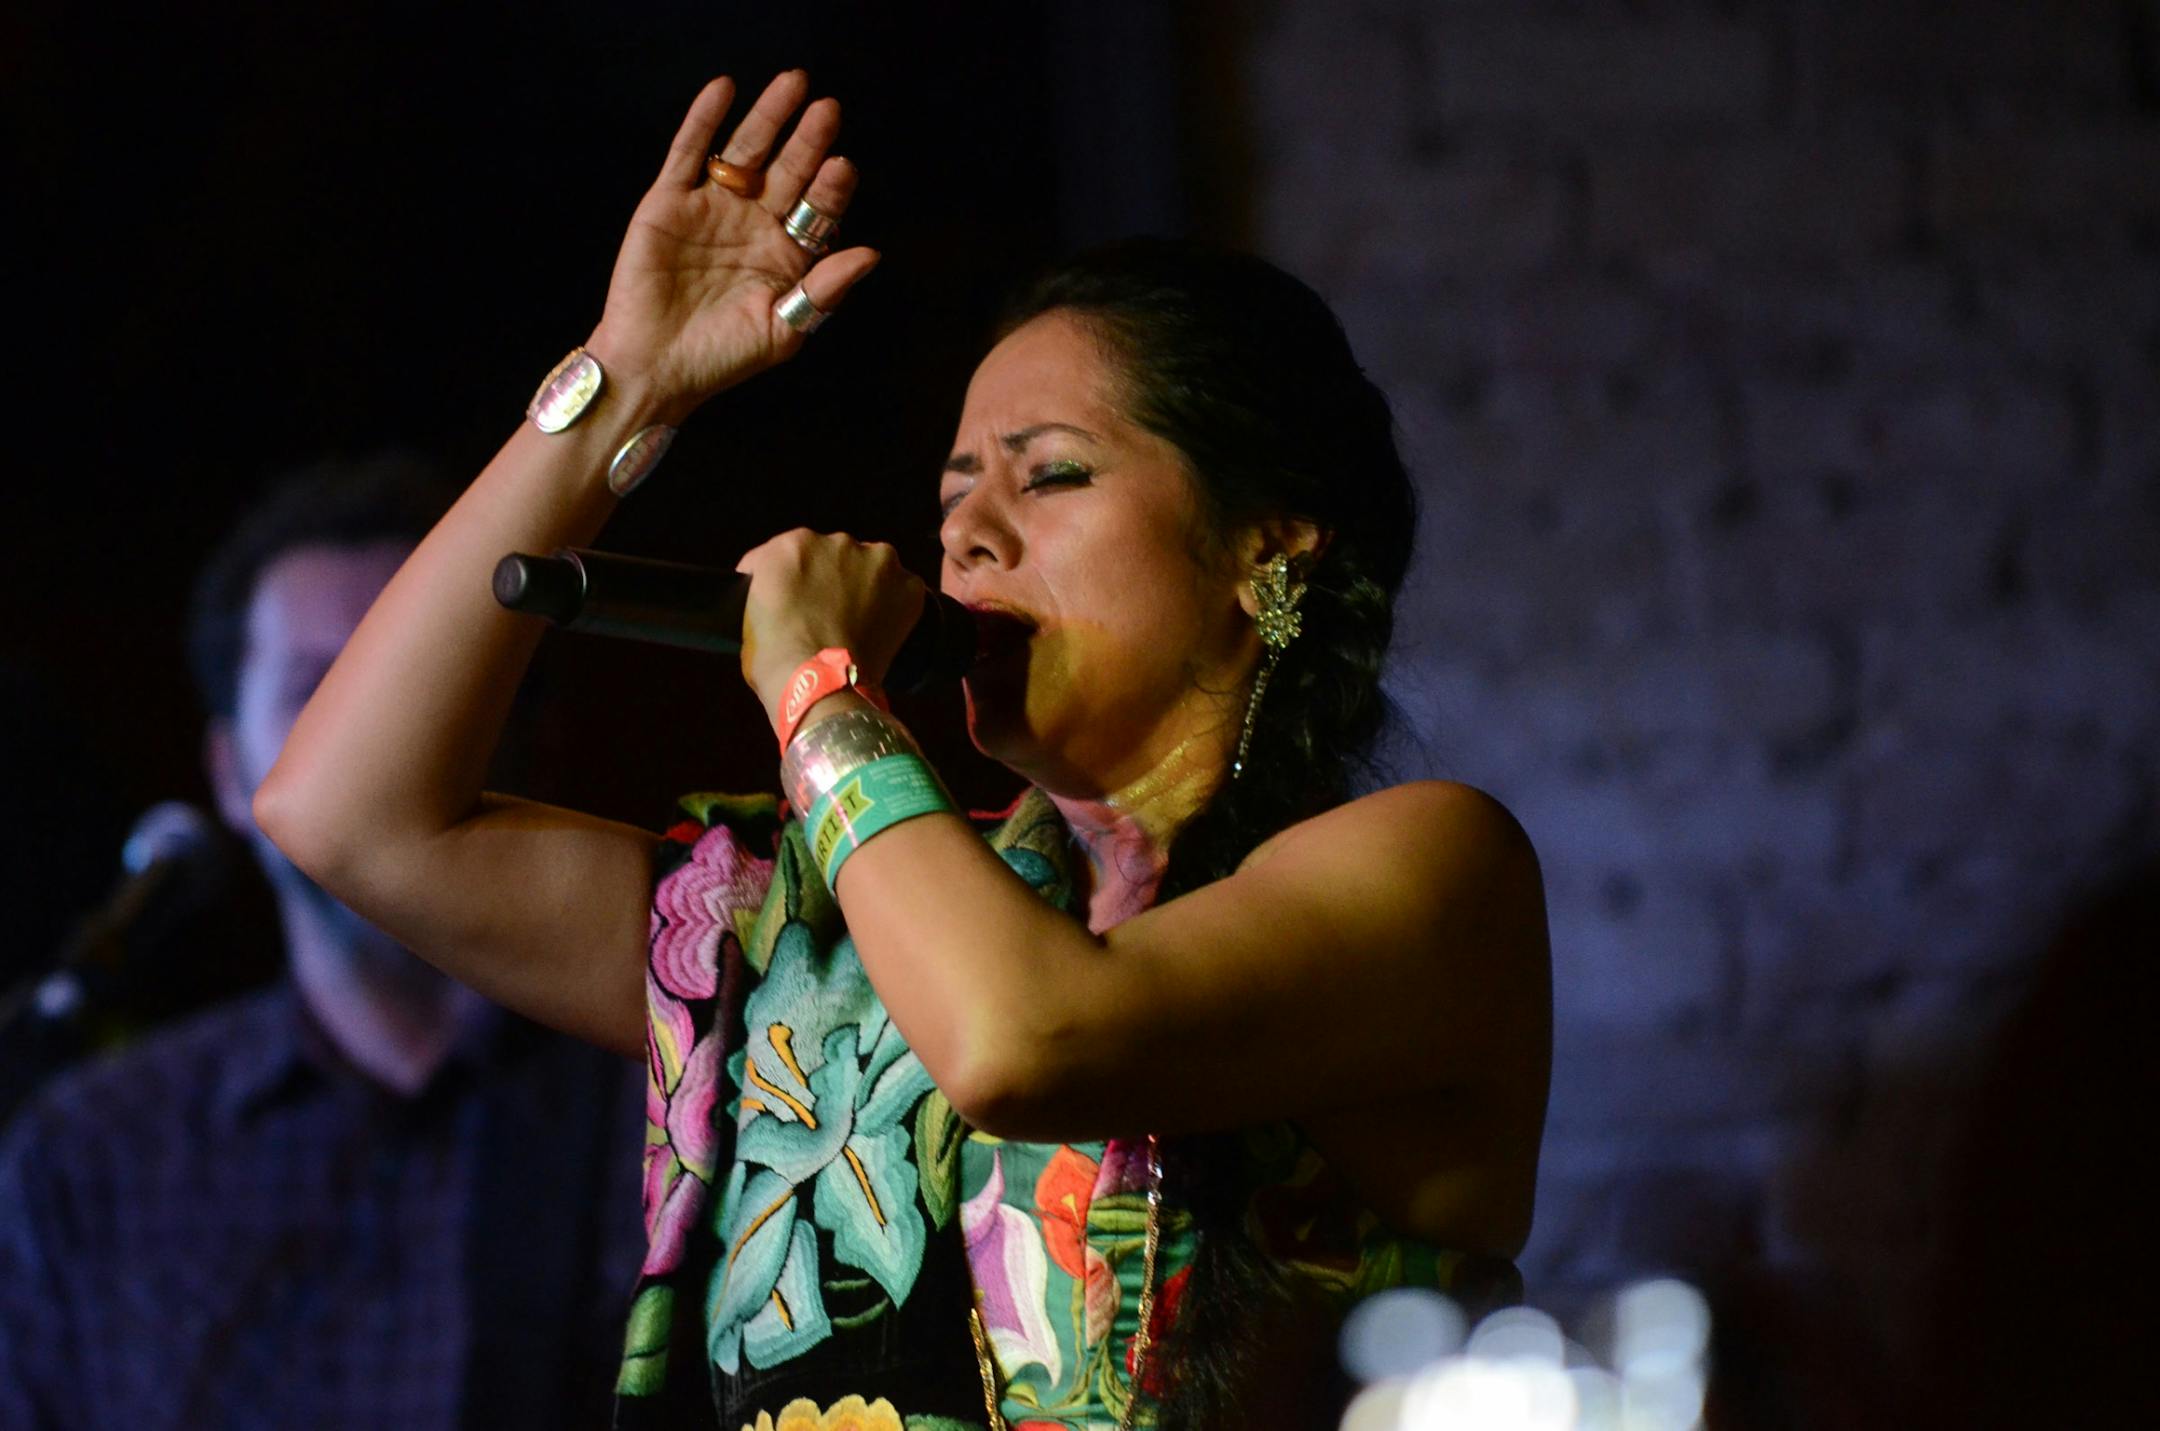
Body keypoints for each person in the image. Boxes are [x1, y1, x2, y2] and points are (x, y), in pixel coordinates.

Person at [255, 72, 1553, 1429]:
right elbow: (346, 809)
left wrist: (820, 689)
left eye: (1050, 474)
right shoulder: (803, 942)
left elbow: (1021, 1034)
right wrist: (624, 380)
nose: (970, 535)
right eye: (951, 494)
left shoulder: (1429, 872)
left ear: (1265, 545)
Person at [0, 457, 648, 1431]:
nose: (369, 752)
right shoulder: (91, 1159)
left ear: (531, 733)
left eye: (415, 691)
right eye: (318, 695)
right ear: (228, 772)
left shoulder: (675, 1103)